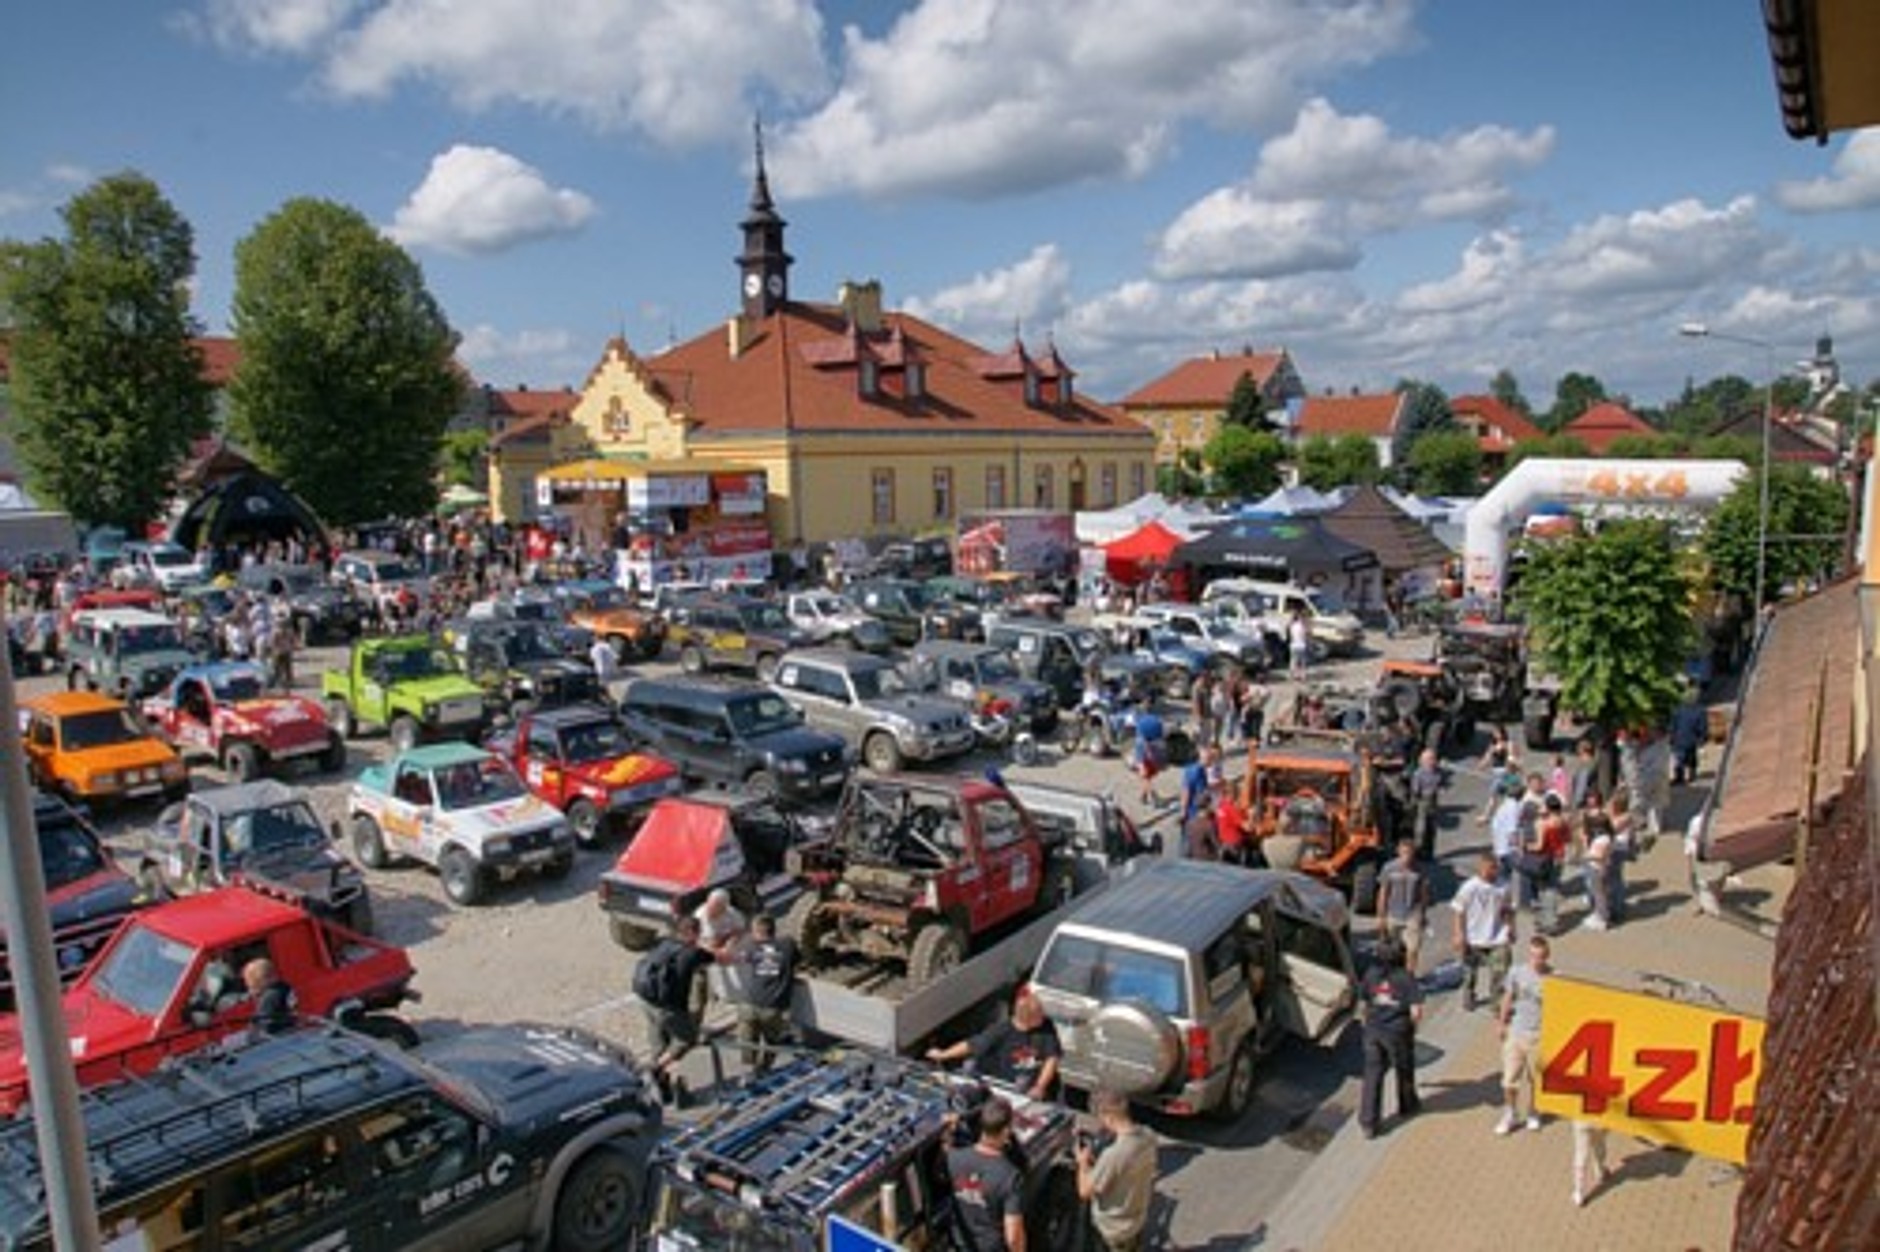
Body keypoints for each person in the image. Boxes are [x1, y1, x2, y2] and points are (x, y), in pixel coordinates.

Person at [635, 916, 716, 1106]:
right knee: (686, 1039)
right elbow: (717, 957)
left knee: (659, 1041)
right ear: (692, 933)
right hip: (668, 1006)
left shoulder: (664, 943)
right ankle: (655, 1069)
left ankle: (662, 1090)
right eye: (698, 933)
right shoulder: (691, 953)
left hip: (646, 999)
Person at [927, 989, 1062, 1102]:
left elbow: (1052, 1058)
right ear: (1029, 1019)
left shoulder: (1046, 1027)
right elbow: (971, 1045)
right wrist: (943, 1055)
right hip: (1006, 1091)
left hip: (1032, 1092)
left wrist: (1040, 1086)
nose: (1043, 1017)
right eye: (1039, 1015)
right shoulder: (1001, 1031)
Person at [1356, 939, 1423, 1138]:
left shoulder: (1371, 974)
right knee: (1403, 1069)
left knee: (1372, 1074)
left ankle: (1369, 1122)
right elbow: (1416, 1011)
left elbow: (1363, 1003)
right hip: (1397, 1033)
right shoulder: (1406, 978)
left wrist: (1367, 1024)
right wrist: (1413, 1028)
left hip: (1373, 1031)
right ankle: (1407, 1104)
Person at [1075, 1089, 1158, 1252]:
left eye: (1100, 1118)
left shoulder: (1113, 1154)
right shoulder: (1148, 1135)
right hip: (1136, 1220)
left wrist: (1082, 1163)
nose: (1101, 1123)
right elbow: (1122, 1171)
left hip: (1113, 1230)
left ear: (1108, 1116)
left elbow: (1084, 1191)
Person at [947, 1096, 1027, 1252]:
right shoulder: (1010, 1176)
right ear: (1005, 1131)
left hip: (960, 1245)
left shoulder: (953, 1158)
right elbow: (1013, 1236)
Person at [1496, 935, 1551, 1135]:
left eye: (1541, 957)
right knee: (1509, 1078)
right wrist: (1501, 1023)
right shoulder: (1516, 972)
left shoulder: (1553, 978)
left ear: (1547, 956)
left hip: (1539, 1035)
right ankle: (1510, 1112)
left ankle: (1534, 1111)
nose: (1537, 961)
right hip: (1517, 1032)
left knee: (1535, 1078)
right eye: (1534, 956)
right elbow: (1508, 997)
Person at [731, 913, 798, 1074]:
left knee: (747, 1041)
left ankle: (748, 1070)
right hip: (773, 1007)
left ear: (756, 932)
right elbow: (797, 958)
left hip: (749, 1004)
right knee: (772, 1042)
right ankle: (763, 1069)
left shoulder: (749, 947)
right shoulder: (787, 945)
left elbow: (737, 955)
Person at [1451, 854, 1514, 1012]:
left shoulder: (1503, 886)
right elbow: (1459, 911)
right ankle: (1469, 996)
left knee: (1500, 971)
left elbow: (1508, 909)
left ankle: (1497, 1002)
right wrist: (1459, 934)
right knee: (1470, 973)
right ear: (1480, 868)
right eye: (1486, 868)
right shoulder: (1469, 887)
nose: (1489, 872)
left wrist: (1511, 928)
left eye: (1493, 869)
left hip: (1497, 937)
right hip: (1473, 938)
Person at [1375, 840, 1429, 974]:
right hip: (1393, 914)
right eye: (1404, 853)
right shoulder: (1389, 868)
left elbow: (1424, 894)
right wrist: (1381, 917)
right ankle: (1390, 976)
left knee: (1413, 948)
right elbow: (1383, 893)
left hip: (1412, 915)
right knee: (1390, 950)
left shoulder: (1420, 870)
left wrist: (1422, 915)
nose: (1407, 856)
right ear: (1398, 852)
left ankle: (1409, 978)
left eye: (1410, 853)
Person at [1406, 747, 1445, 861]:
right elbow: (1415, 791)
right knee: (1420, 829)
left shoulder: (1437, 772)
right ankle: (1418, 852)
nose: (1433, 761)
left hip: (1433, 802)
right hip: (1422, 802)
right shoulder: (1418, 774)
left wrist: (1439, 790)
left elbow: (1440, 784)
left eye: (1433, 758)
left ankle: (1429, 852)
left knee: (1432, 828)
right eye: (1430, 759)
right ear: (1423, 761)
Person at [243, 957, 296, 1038]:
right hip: (291, 1030)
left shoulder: (270, 996)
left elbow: (264, 1024)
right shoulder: (284, 987)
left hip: (279, 1038)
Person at [1670, 688, 1707, 786]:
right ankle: (1692, 775)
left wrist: (1671, 738)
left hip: (1679, 739)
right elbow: (1702, 727)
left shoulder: (1678, 709)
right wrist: (1702, 739)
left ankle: (1679, 778)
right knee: (1691, 757)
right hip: (1692, 739)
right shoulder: (1700, 710)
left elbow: (1673, 725)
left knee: (1679, 759)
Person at [1287, 610, 1310, 683]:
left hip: (1293, 645)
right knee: (1302, 662)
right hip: (1301, 645)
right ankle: (1303, 676)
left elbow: (1289, 634)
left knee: (1293, 661)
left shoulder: (1292, 626)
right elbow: (1306, 634)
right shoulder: (1302, 626)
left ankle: (1292, 676)